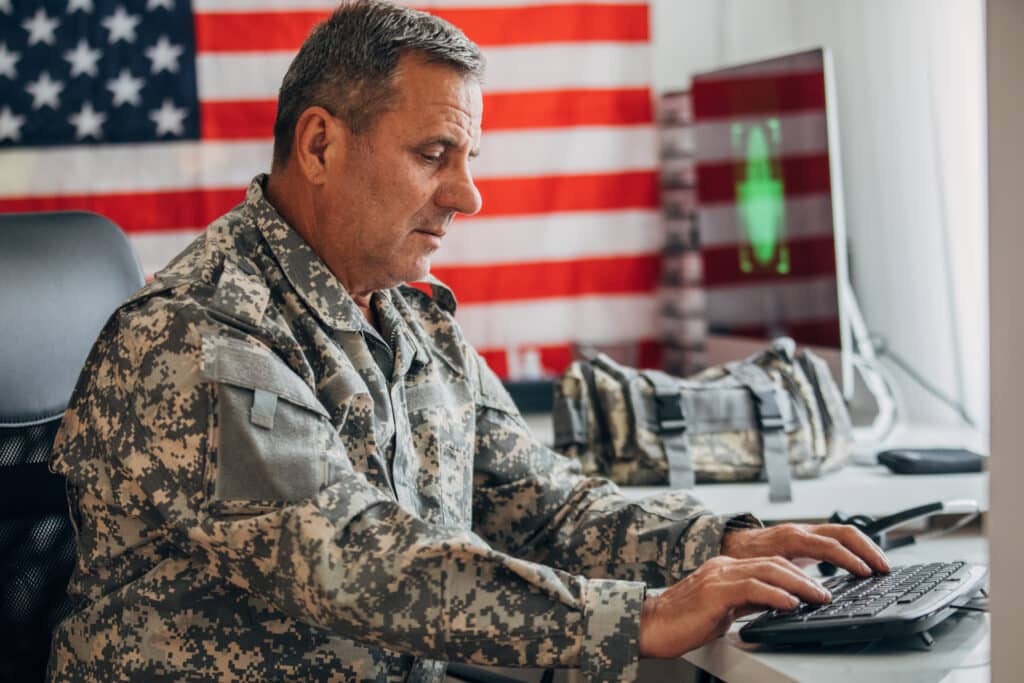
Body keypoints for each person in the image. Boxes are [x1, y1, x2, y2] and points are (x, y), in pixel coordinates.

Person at [47, 2, 889, 681]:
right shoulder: (195, 336)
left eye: (469, 155)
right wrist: (640, 616)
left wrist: (723, 543)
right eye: (434, 153)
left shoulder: (411, 319)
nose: (468, 195)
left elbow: (548, 504)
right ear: (318, 144)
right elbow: (358, 562)